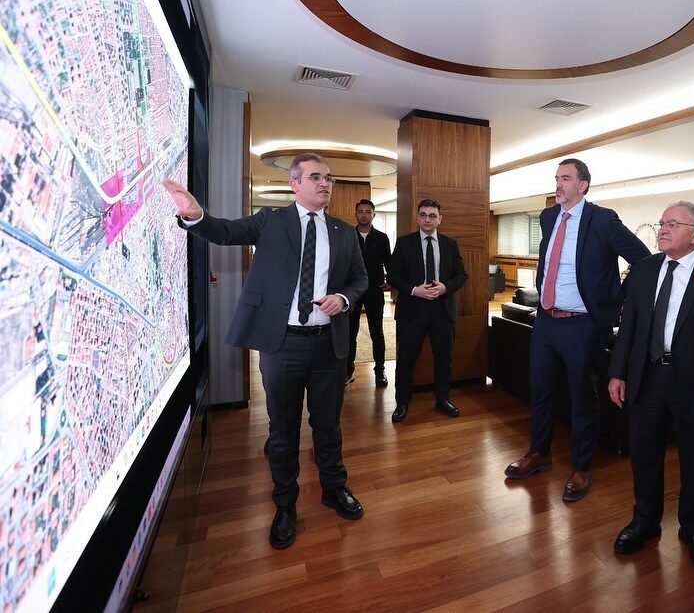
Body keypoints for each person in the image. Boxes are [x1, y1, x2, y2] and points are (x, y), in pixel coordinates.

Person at [162, 152, 368, 550]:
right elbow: (224, 231)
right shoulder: (271, 220)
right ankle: (285, 503)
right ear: (295, 183)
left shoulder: (343, 232)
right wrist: (196, 216)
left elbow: (361, 278)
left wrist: (343, 297)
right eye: (315, 177)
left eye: (329, 178)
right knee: (282, 429)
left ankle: (334, 487)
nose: (325, 183)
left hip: (329, 346)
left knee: (328, 424)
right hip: (282, 344)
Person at [606, 201, 694, 572]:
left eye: (673, 223)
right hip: (647, 378)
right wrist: (618, 373)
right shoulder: (643, 269)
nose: (662, 229)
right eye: (662, 222)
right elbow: (629, 327)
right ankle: (645, 521)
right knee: (644, 455)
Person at [504, 158, 650, 501]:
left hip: (582, 324)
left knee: (582, 396)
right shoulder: (548, 217)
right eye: (556, 178)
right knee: (540, 389)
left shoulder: (602, 219)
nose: (558, 184)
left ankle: (582, 467)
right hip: (545, 320)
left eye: (566, 178)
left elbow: (644, 259)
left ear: (583, 185)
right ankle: (539, 453)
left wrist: (616, 297)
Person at [388, 198, 467, 422]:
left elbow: (462, 275)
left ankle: (443, 399)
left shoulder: (450, 244)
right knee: (406, 359)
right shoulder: (404, 243)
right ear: (417, 218)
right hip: (412, 311)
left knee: (444, 359)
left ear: (440, 219)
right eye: (423, 215)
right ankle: (402, 402)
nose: (427, 220)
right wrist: (414, 290)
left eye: (432, 216)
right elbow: (392, 275)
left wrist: (445, 287)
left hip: (442, 311)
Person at [347, 198, 392, 388]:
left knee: (377, 331)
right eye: (360, 211)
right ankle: (348, 370)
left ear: (373, 214)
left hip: (375, 290)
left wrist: (391, 282)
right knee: (350, 332)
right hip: (352, 291)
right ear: (355, 214)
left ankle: (380, 370)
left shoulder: (382, 238)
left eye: (368, 212)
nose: (364, 215)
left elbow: (389, 262)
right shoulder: (348, 236)